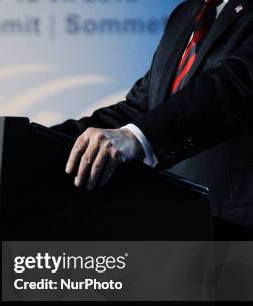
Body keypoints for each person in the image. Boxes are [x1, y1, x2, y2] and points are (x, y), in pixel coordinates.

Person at [55, 0, 253, 234]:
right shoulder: (187, 13)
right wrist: (23, 137)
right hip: (174, 228)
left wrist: (138, 137)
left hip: (236, 232)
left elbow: (233, 87)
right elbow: (140, 109)